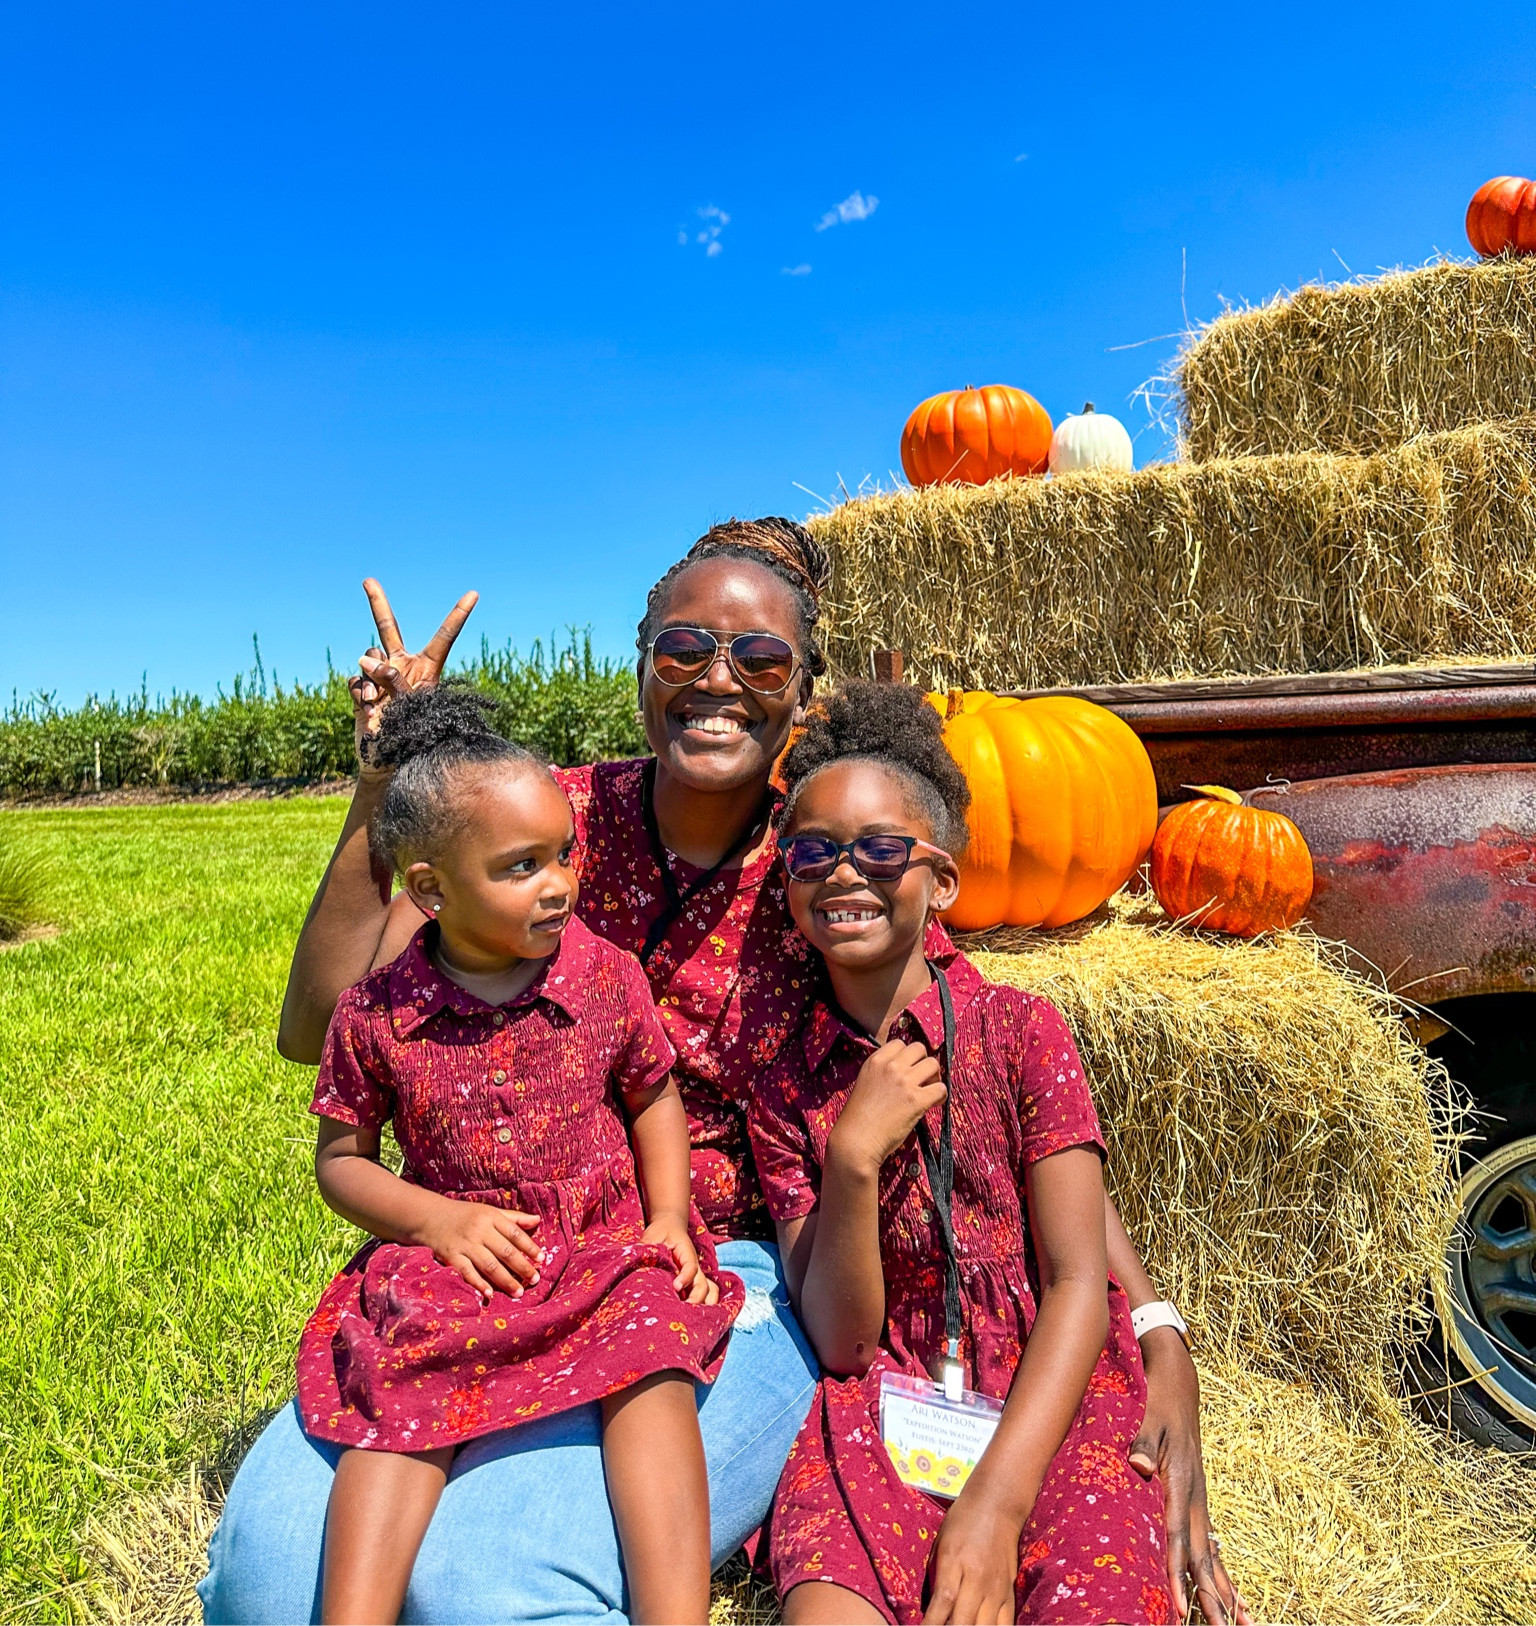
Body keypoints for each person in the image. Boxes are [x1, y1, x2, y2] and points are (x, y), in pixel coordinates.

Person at [199, 518, 1246, 1626]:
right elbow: (326, 1026)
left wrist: (1153, 1326)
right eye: (685, 649)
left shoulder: (827, 865)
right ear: (641, 662)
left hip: (716, 1272)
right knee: (266, 1593)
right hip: (487, 1250)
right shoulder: (539, 821)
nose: (718, 680)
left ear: (803, 690)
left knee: (483, 1592)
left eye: (759, 660)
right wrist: (386, 777)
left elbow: (982, 1068)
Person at [296, 686, 738, 1624]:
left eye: (563, 854)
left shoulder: (604, 974)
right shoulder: (378, 1014)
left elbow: (652, 1092)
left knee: (652, 1361)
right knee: (399, 1390)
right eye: (521, 865)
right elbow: (343, 1160)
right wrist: (436, 1220)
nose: (558, 883)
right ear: (428, 891)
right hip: (466, 1251)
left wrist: (667, 1221)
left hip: (604, 1237)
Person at [751, 680, 1169, 1625]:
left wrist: (997, 1502)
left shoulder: (1024, 1034)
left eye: (881, 851)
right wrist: (852, 1160)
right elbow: (845, 1342)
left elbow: (1074, 1286)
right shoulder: (783, 1089)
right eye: (811, 852)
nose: (842, 873)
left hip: (1051, 1398)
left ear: (941, 880)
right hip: (884, 1399)